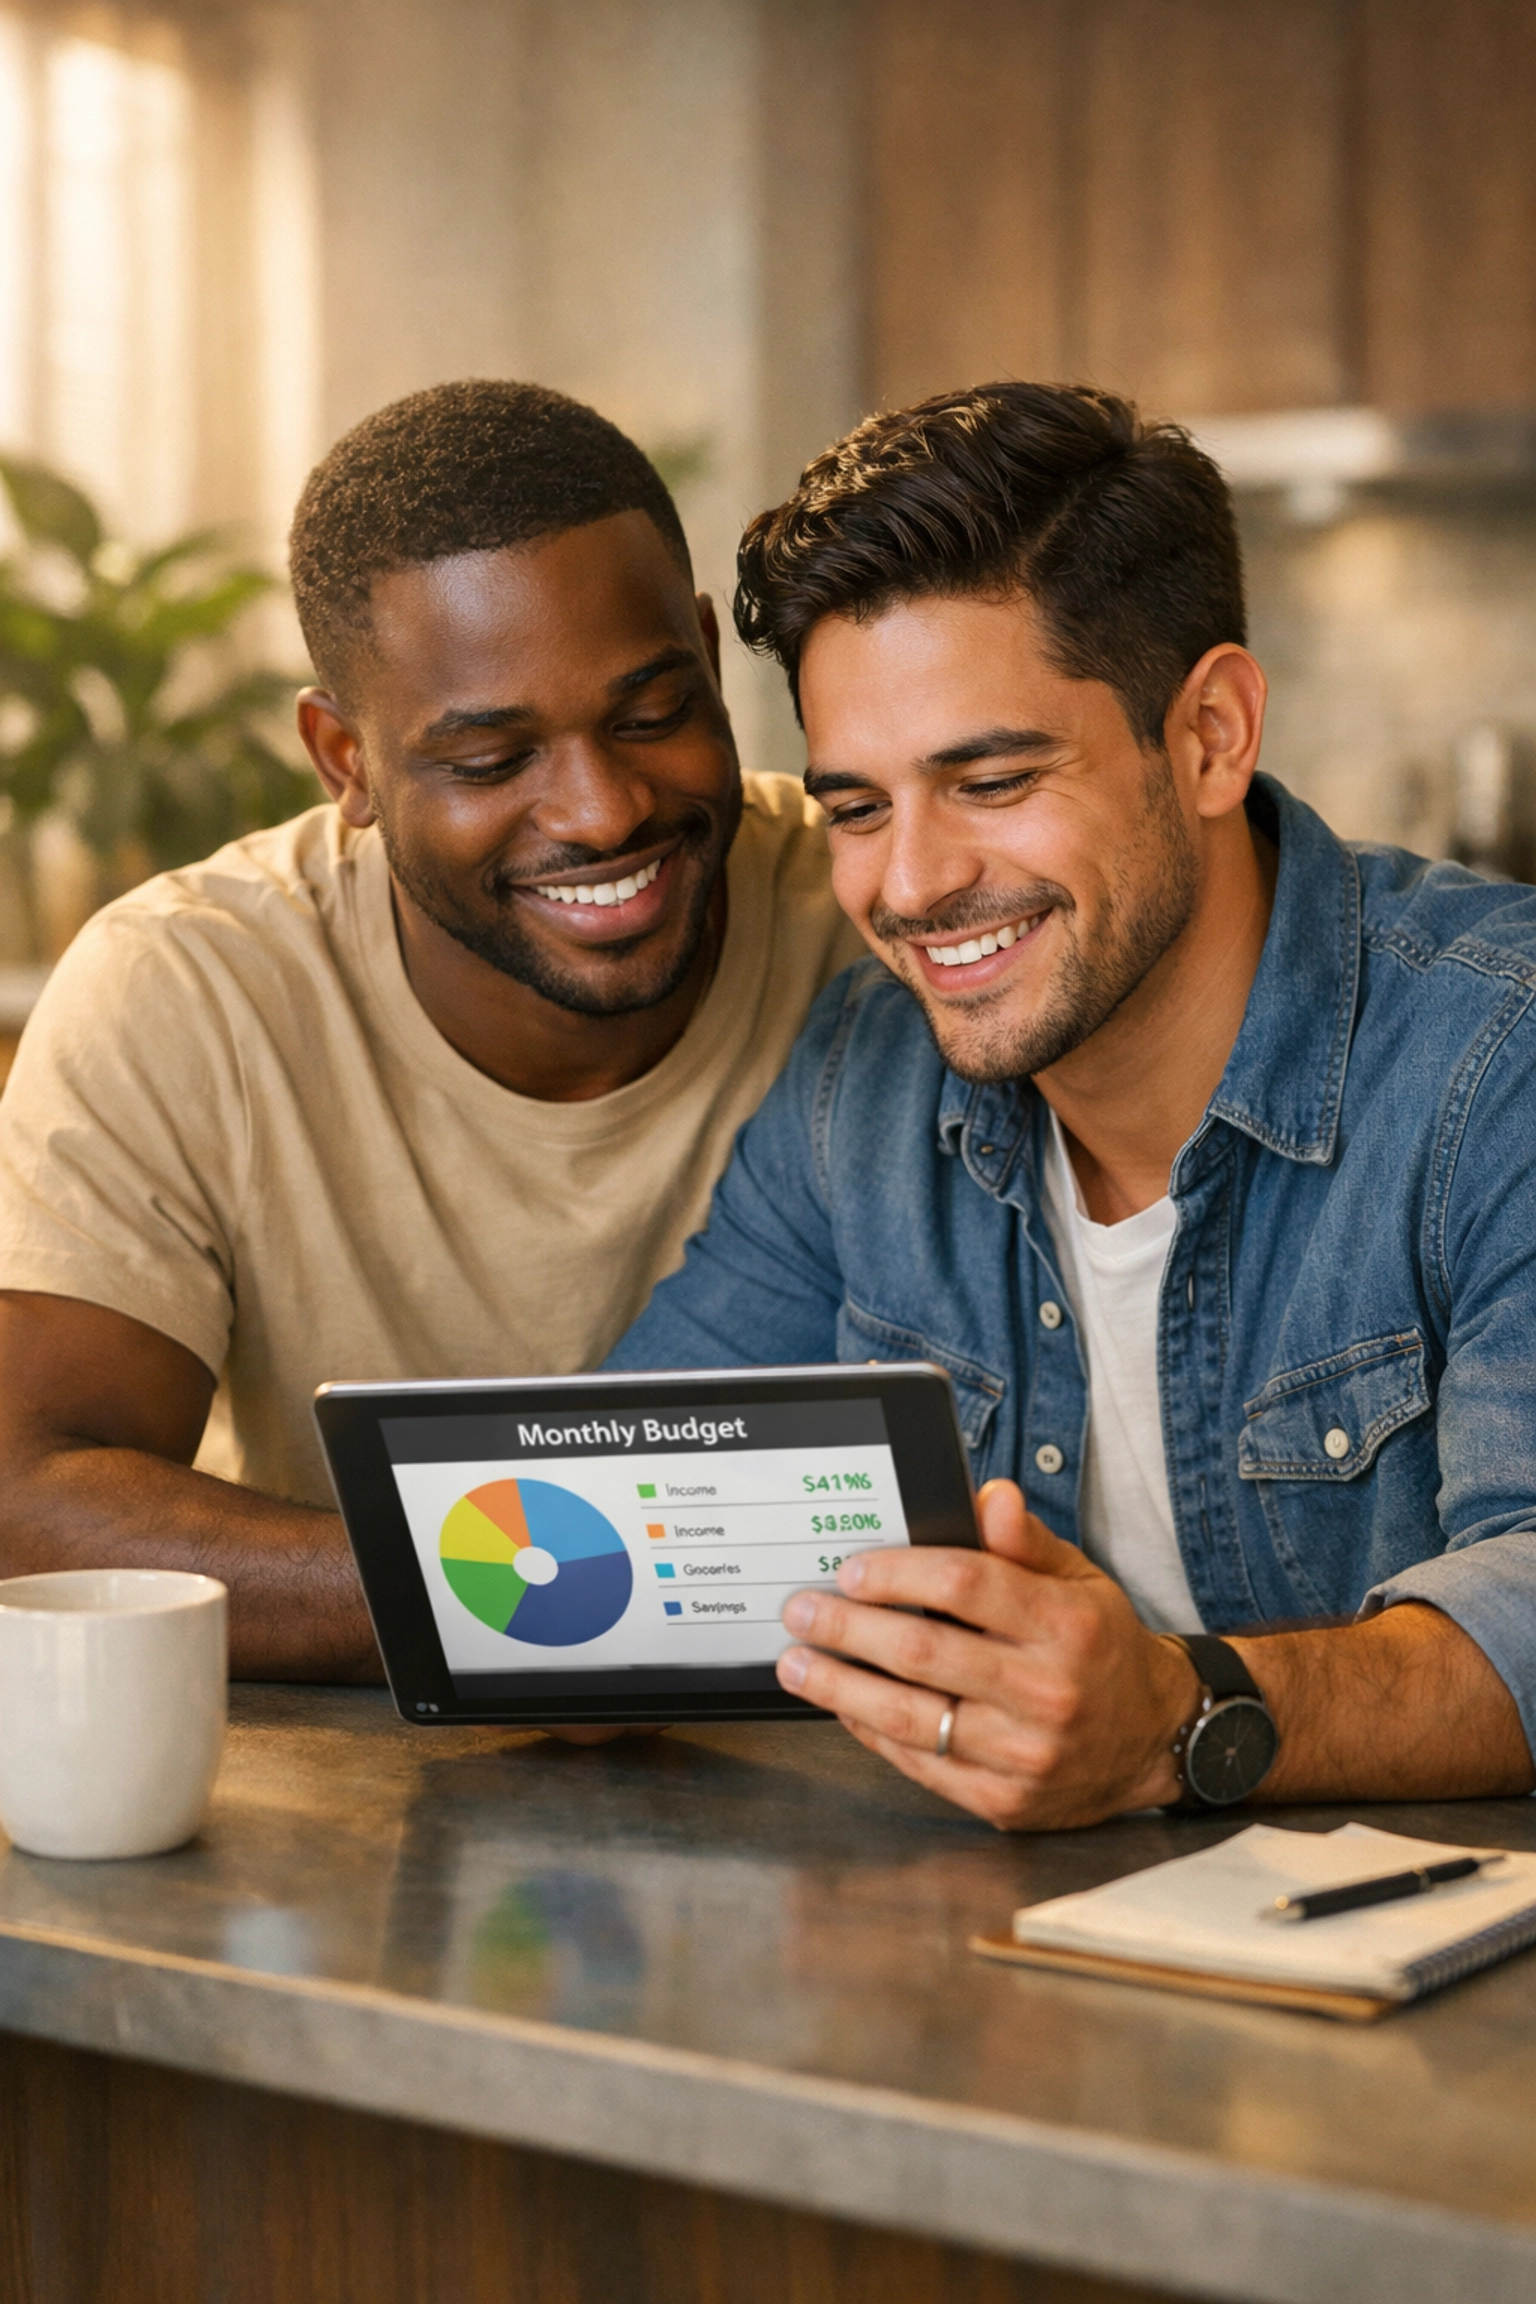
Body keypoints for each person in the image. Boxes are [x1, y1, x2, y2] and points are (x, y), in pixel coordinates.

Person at [608, 381, 1536, 1829]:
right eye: (857, 808)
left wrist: (1179, 1718)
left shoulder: (1498, 1061)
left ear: (1213, 734)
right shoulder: (863, 1079)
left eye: (988, 779)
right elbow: (633, 1489)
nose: (908, 887)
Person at [0, 381, 862, 1680]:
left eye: (648, 714)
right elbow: (28, 1501)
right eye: (490, 760)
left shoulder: (886, 909)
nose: (601, 810)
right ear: (342, 761)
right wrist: (545, 1598)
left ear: (704, 651)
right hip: (369, 1787)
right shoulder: (186, 988)